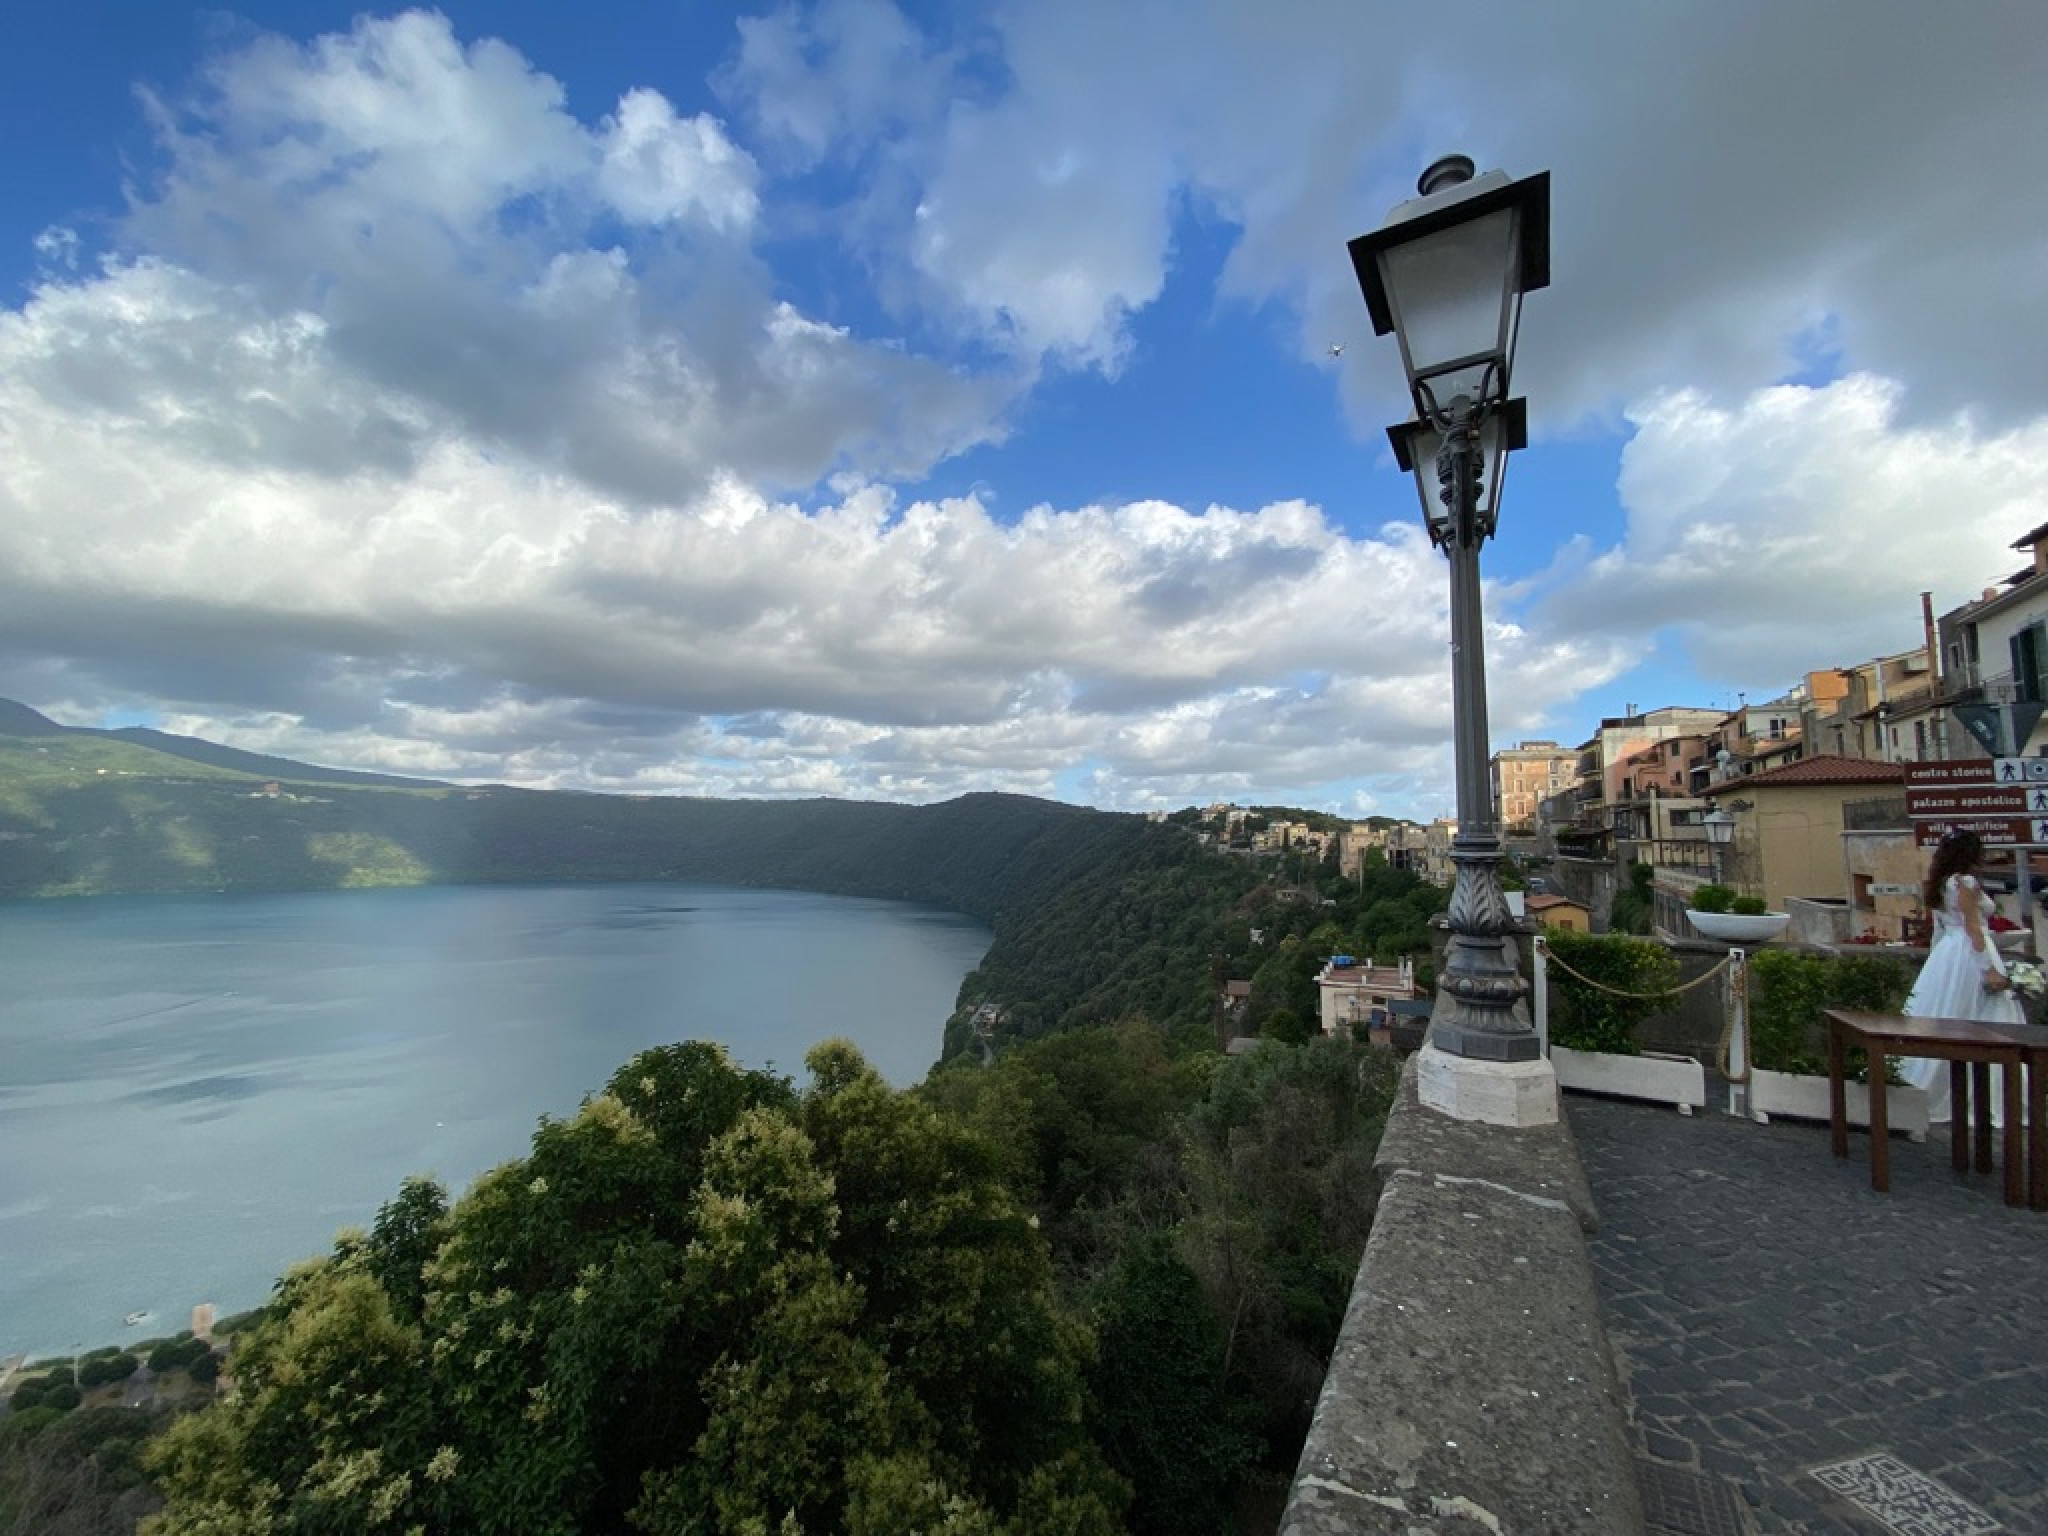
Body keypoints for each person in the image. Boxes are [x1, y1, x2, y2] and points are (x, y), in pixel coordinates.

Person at [1898, 828, 2023, 1122]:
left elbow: (1943, 928)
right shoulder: (1965, 882)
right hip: (1969, 952)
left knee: (1945, 1011)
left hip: (1948, 953)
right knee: (1983, 1016)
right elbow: (1973, 928)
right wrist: (1988, 968)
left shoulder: (1941, 884)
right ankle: (1987, 1095)